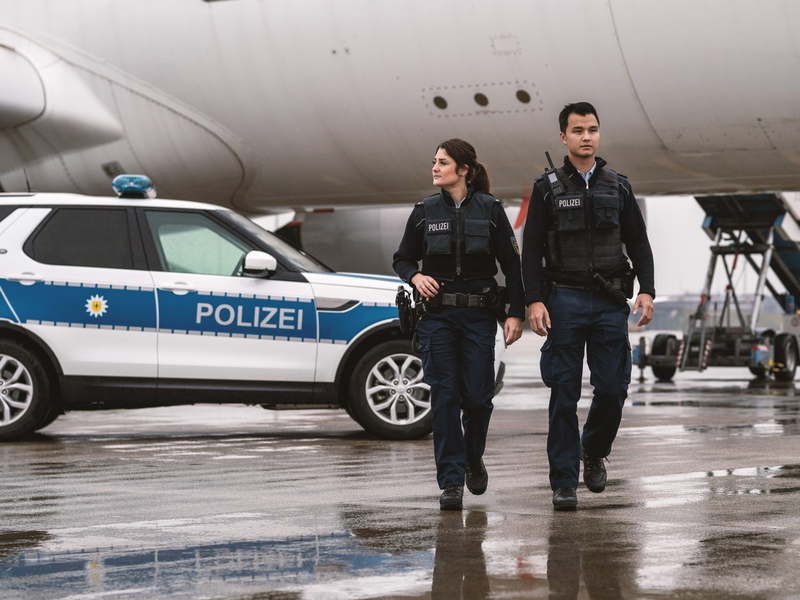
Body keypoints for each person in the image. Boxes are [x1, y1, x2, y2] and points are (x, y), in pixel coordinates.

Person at [521, 102, 655, 511]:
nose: (586, 136)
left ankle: (593, 449)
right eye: (577, 130)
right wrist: (534, 300)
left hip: (610, 302)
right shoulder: (547, 188)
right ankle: (564, 482)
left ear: (599, 134)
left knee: (613, 388)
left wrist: (646, 291)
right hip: (564, 299)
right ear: (563, 137)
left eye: (592, 129)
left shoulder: (619, 186)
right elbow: (529, 252)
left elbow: (639, 243)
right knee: (563, 392)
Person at [393, 138, 524, 511]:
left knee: (479, 399)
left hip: (480, 317)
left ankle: (472, 457)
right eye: (434, 161)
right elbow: (401, 259)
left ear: (463, 169)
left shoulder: (491, 210)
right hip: (437, 319)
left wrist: (514, 311)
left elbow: (512, 266)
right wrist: (415, 277)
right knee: (445, 397)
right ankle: (451, 481)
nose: (435, 168)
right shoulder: (424, 211)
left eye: (443, 162)